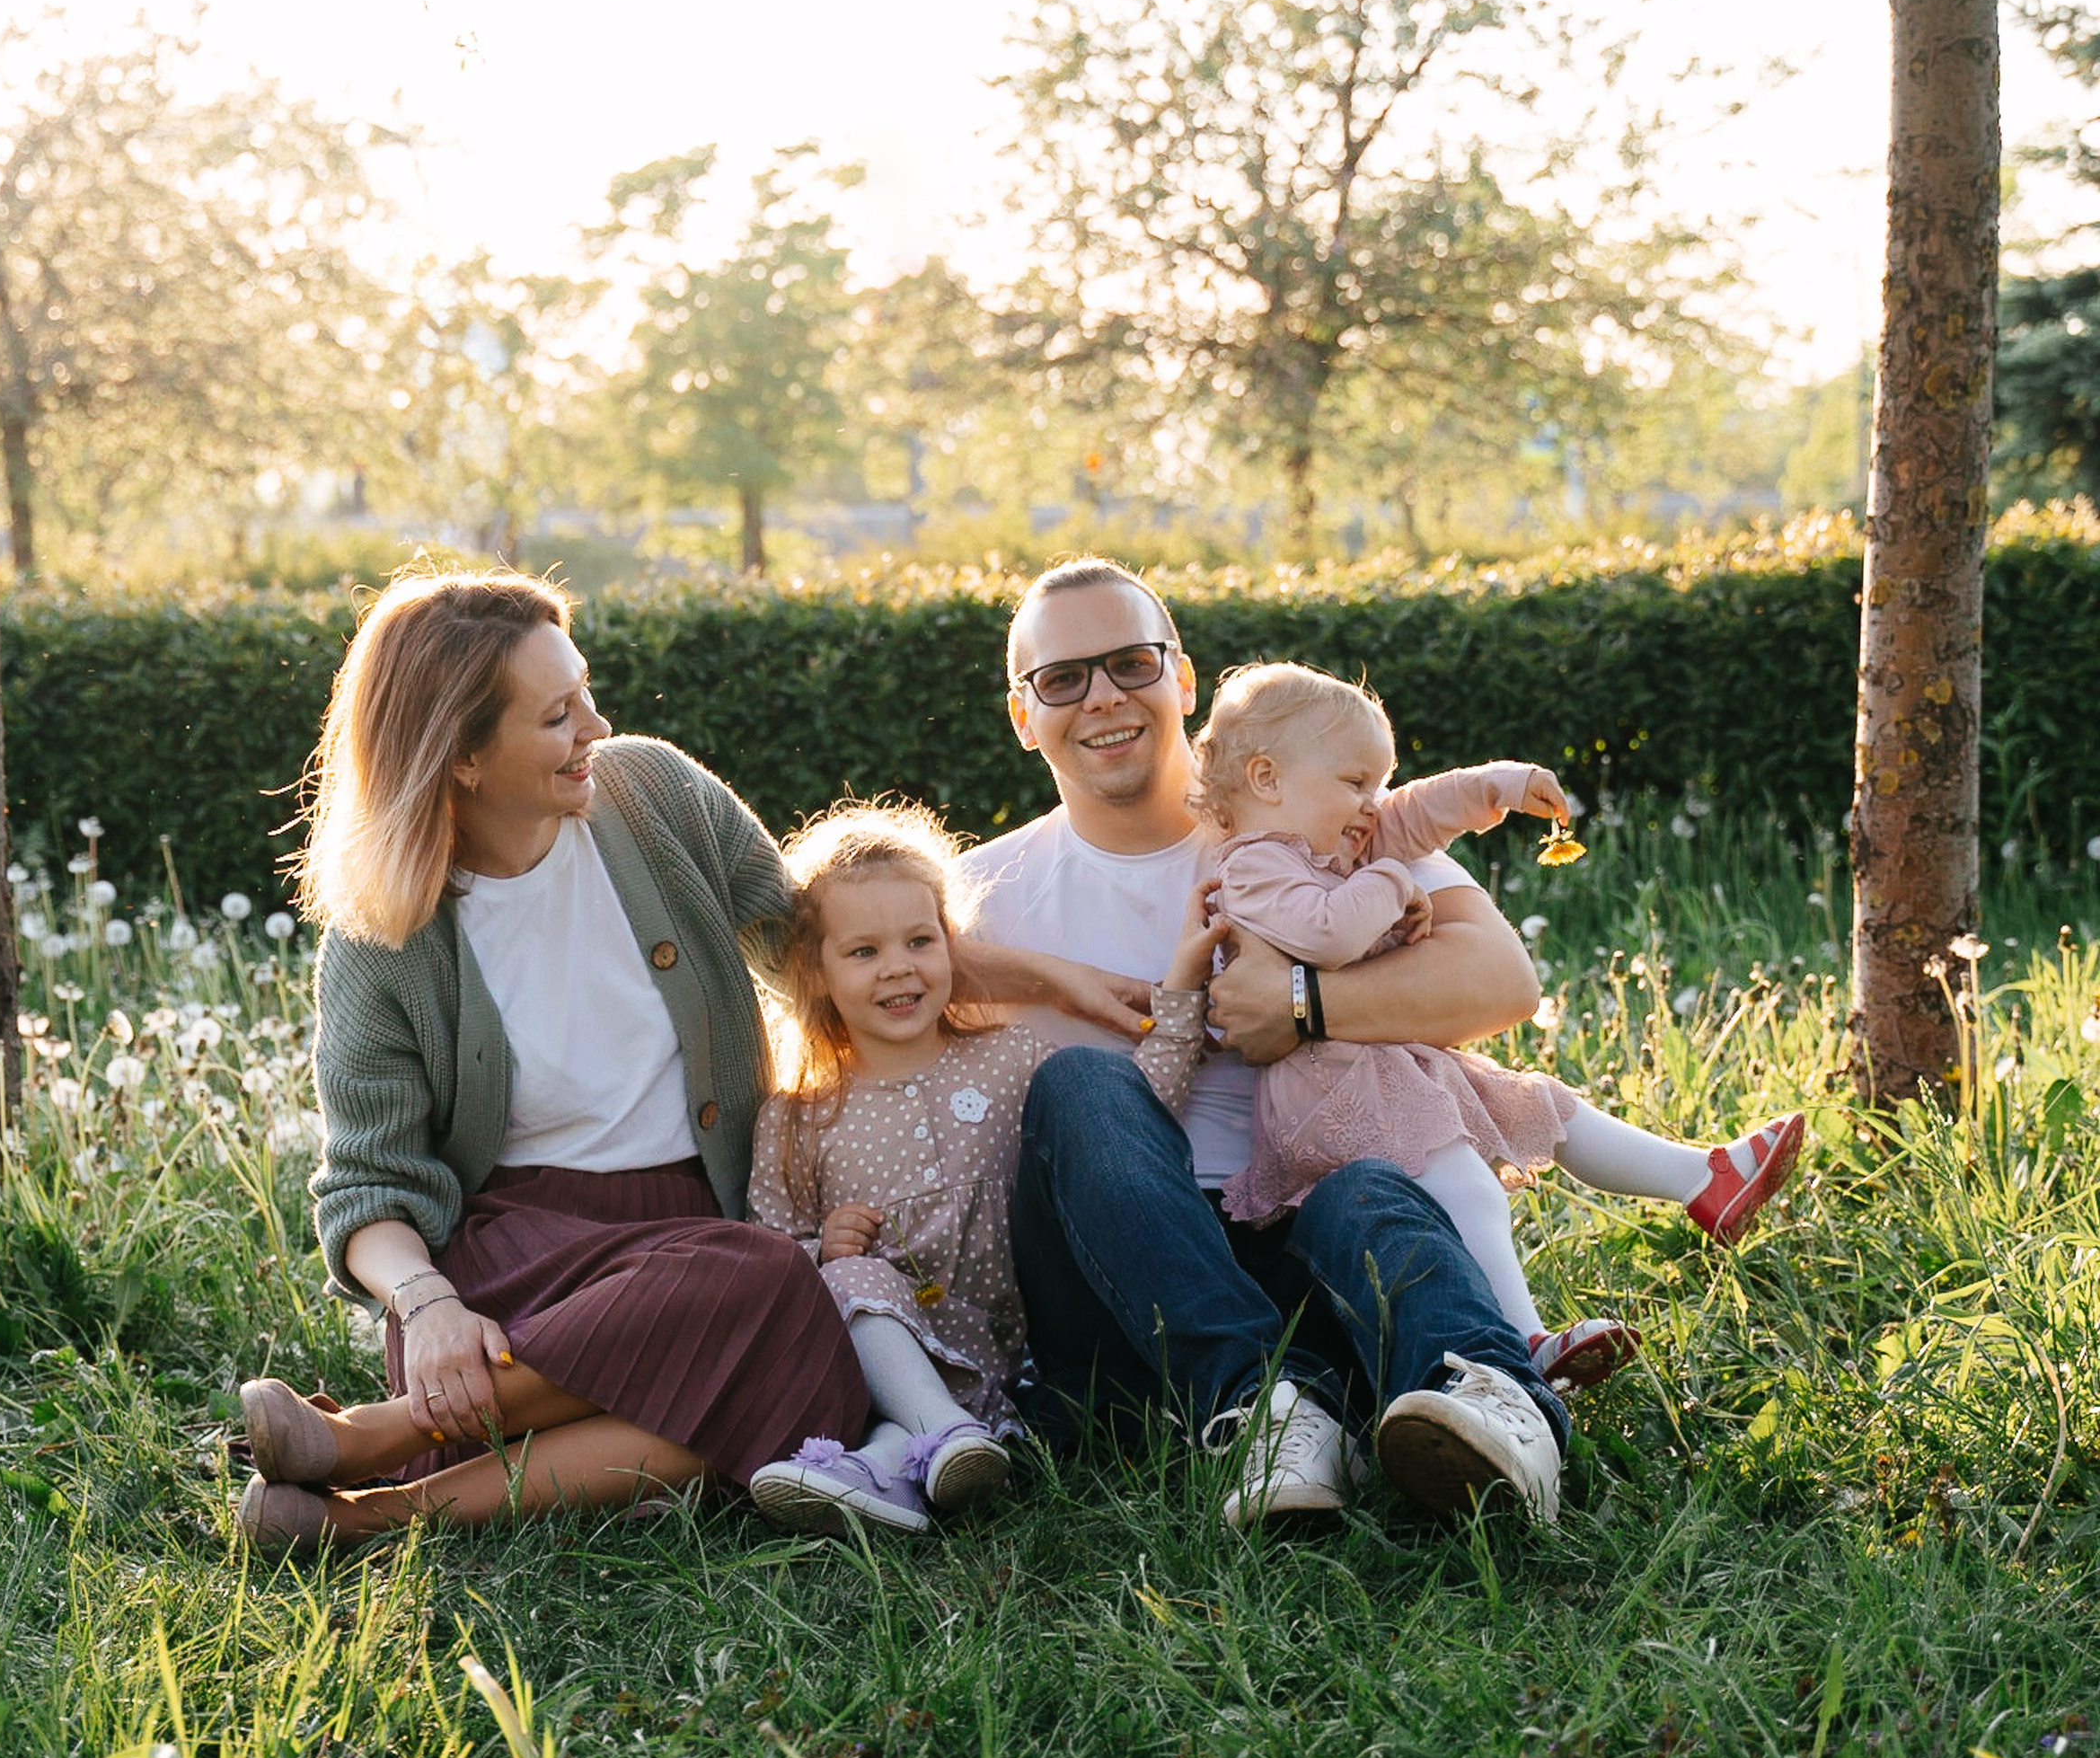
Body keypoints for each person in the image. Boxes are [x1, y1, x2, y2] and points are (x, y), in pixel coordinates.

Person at [235, 566, 1135, 1550]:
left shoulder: (653, 794)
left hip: (694, 1235)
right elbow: (368, 1186)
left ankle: (378, 1483)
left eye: (584, 690)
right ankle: (427, 1433)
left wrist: (1047, 981)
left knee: (793, 1350)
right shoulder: (384, 937)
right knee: (765, 1334)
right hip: (506, 1264)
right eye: (556, 715)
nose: (595, 728)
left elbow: (819, 943)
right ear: (461, 756)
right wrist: (429, 1303)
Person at [959, 558, 1579, 1533]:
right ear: (1021, 715)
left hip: (1308, 1237)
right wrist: (1045, 979)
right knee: (1081, 1081)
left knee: (1367, 1190)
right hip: (1125, 1285)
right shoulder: (974, 895)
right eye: (1062, 678)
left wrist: (1302, 1002)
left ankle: (1496, 1410)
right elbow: (817, 966)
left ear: (1183, 679)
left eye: (1129, 663)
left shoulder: (1317, 821)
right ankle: (1264, 1406)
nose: (1103, 698)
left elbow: (1503, 983)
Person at [1168, 660, 1805, 1380]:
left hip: (1380, 1068)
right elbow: (1327, 933)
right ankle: (1525, 1341)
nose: (1373, 805)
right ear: (1265, 779)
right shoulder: (1253, 865)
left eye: (1376, 784)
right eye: (1355, 785)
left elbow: (1416, 811)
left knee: (1547, 1106)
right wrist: (1391, 881)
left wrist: (1501, 784)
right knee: (1468, 1187)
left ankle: (1704, 1179)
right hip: (1328, 1099)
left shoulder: (1339, 844)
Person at [745, 799, 1204, 1540]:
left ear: (952, 948)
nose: (898, 967)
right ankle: (936, 1441)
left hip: (1036, 1353)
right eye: (863, 952)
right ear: (816, 971)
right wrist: (823, 1246)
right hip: (901, 1358)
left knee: (940, 1423)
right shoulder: (797, 1117)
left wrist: (1181, 993)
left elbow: (1127, 1116)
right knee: (853, 1281)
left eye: (920, 941)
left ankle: (903, 1460)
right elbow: (771, 1254)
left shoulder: (1008, 1058)